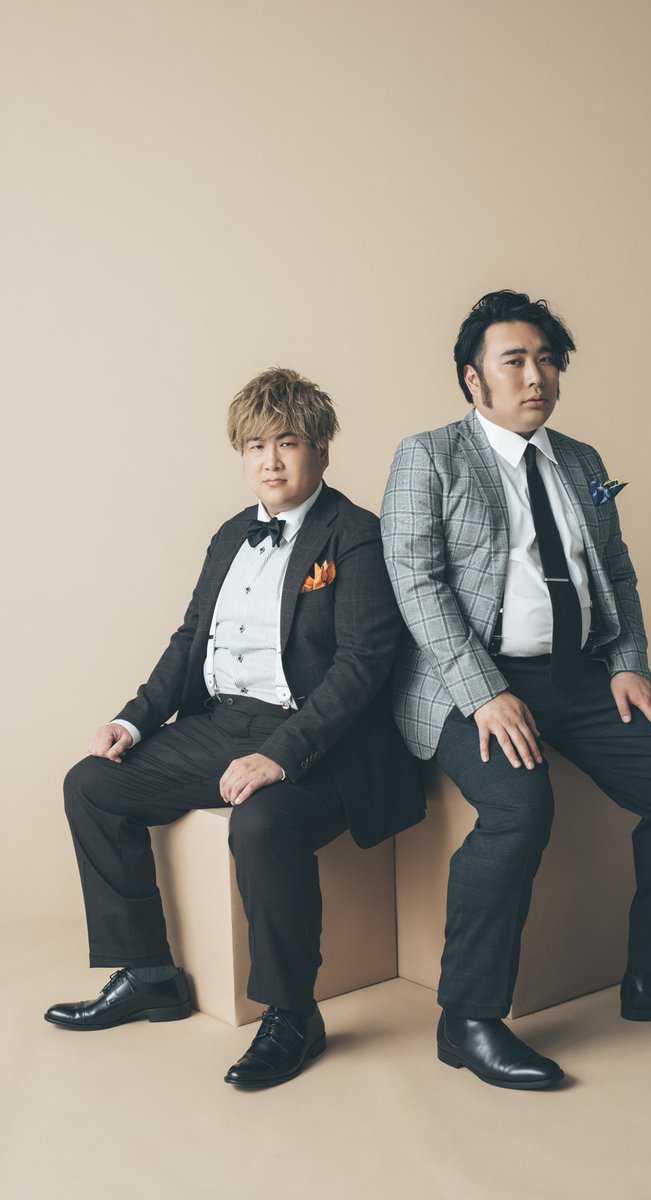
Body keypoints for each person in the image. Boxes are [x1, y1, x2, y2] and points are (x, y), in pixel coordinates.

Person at [380, 290, 651, 1091]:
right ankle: (467, 1019)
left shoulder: (583, 462)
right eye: (515, 361)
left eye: (548, 360)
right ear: (473, 378)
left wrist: (628, 661)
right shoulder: (429, 456)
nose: (537, 377)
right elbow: (416, 583)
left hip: (578, 675)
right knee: (520, 807)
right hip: (466, 681)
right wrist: (485, 692)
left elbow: (613, 571)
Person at [46, 367, 425, 1089]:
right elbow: (189, 641)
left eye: (288, 443)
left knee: (261, 822)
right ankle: (150, 975)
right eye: (255, 446)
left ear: (321, 449)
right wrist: (134, 719)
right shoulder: (230, 535)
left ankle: (293, 1014)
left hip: (325, 740)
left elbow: (362, 668)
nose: (270, 461)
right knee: (91, 784)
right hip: (225, 721)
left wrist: (280, 755)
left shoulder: (356, 537)